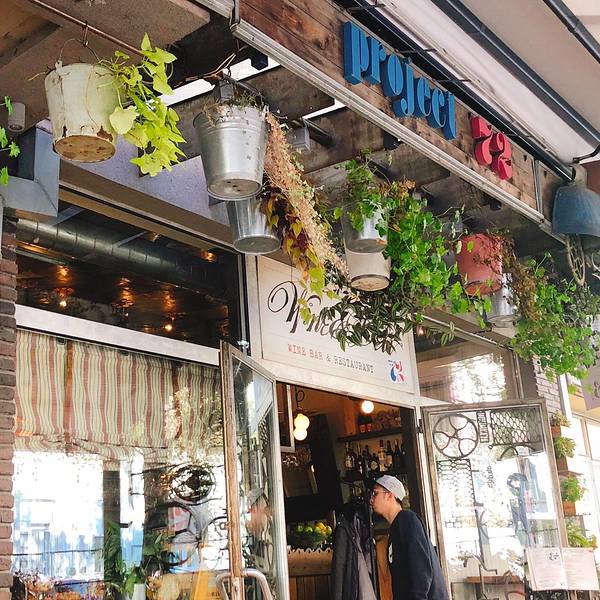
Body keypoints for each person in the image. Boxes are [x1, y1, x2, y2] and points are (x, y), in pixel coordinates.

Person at [370, 475, 449, 600]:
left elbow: (421, 569)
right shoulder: (395, 529)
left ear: (390, 495)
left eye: (375, 493)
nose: (371, 499)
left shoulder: (407, 519)